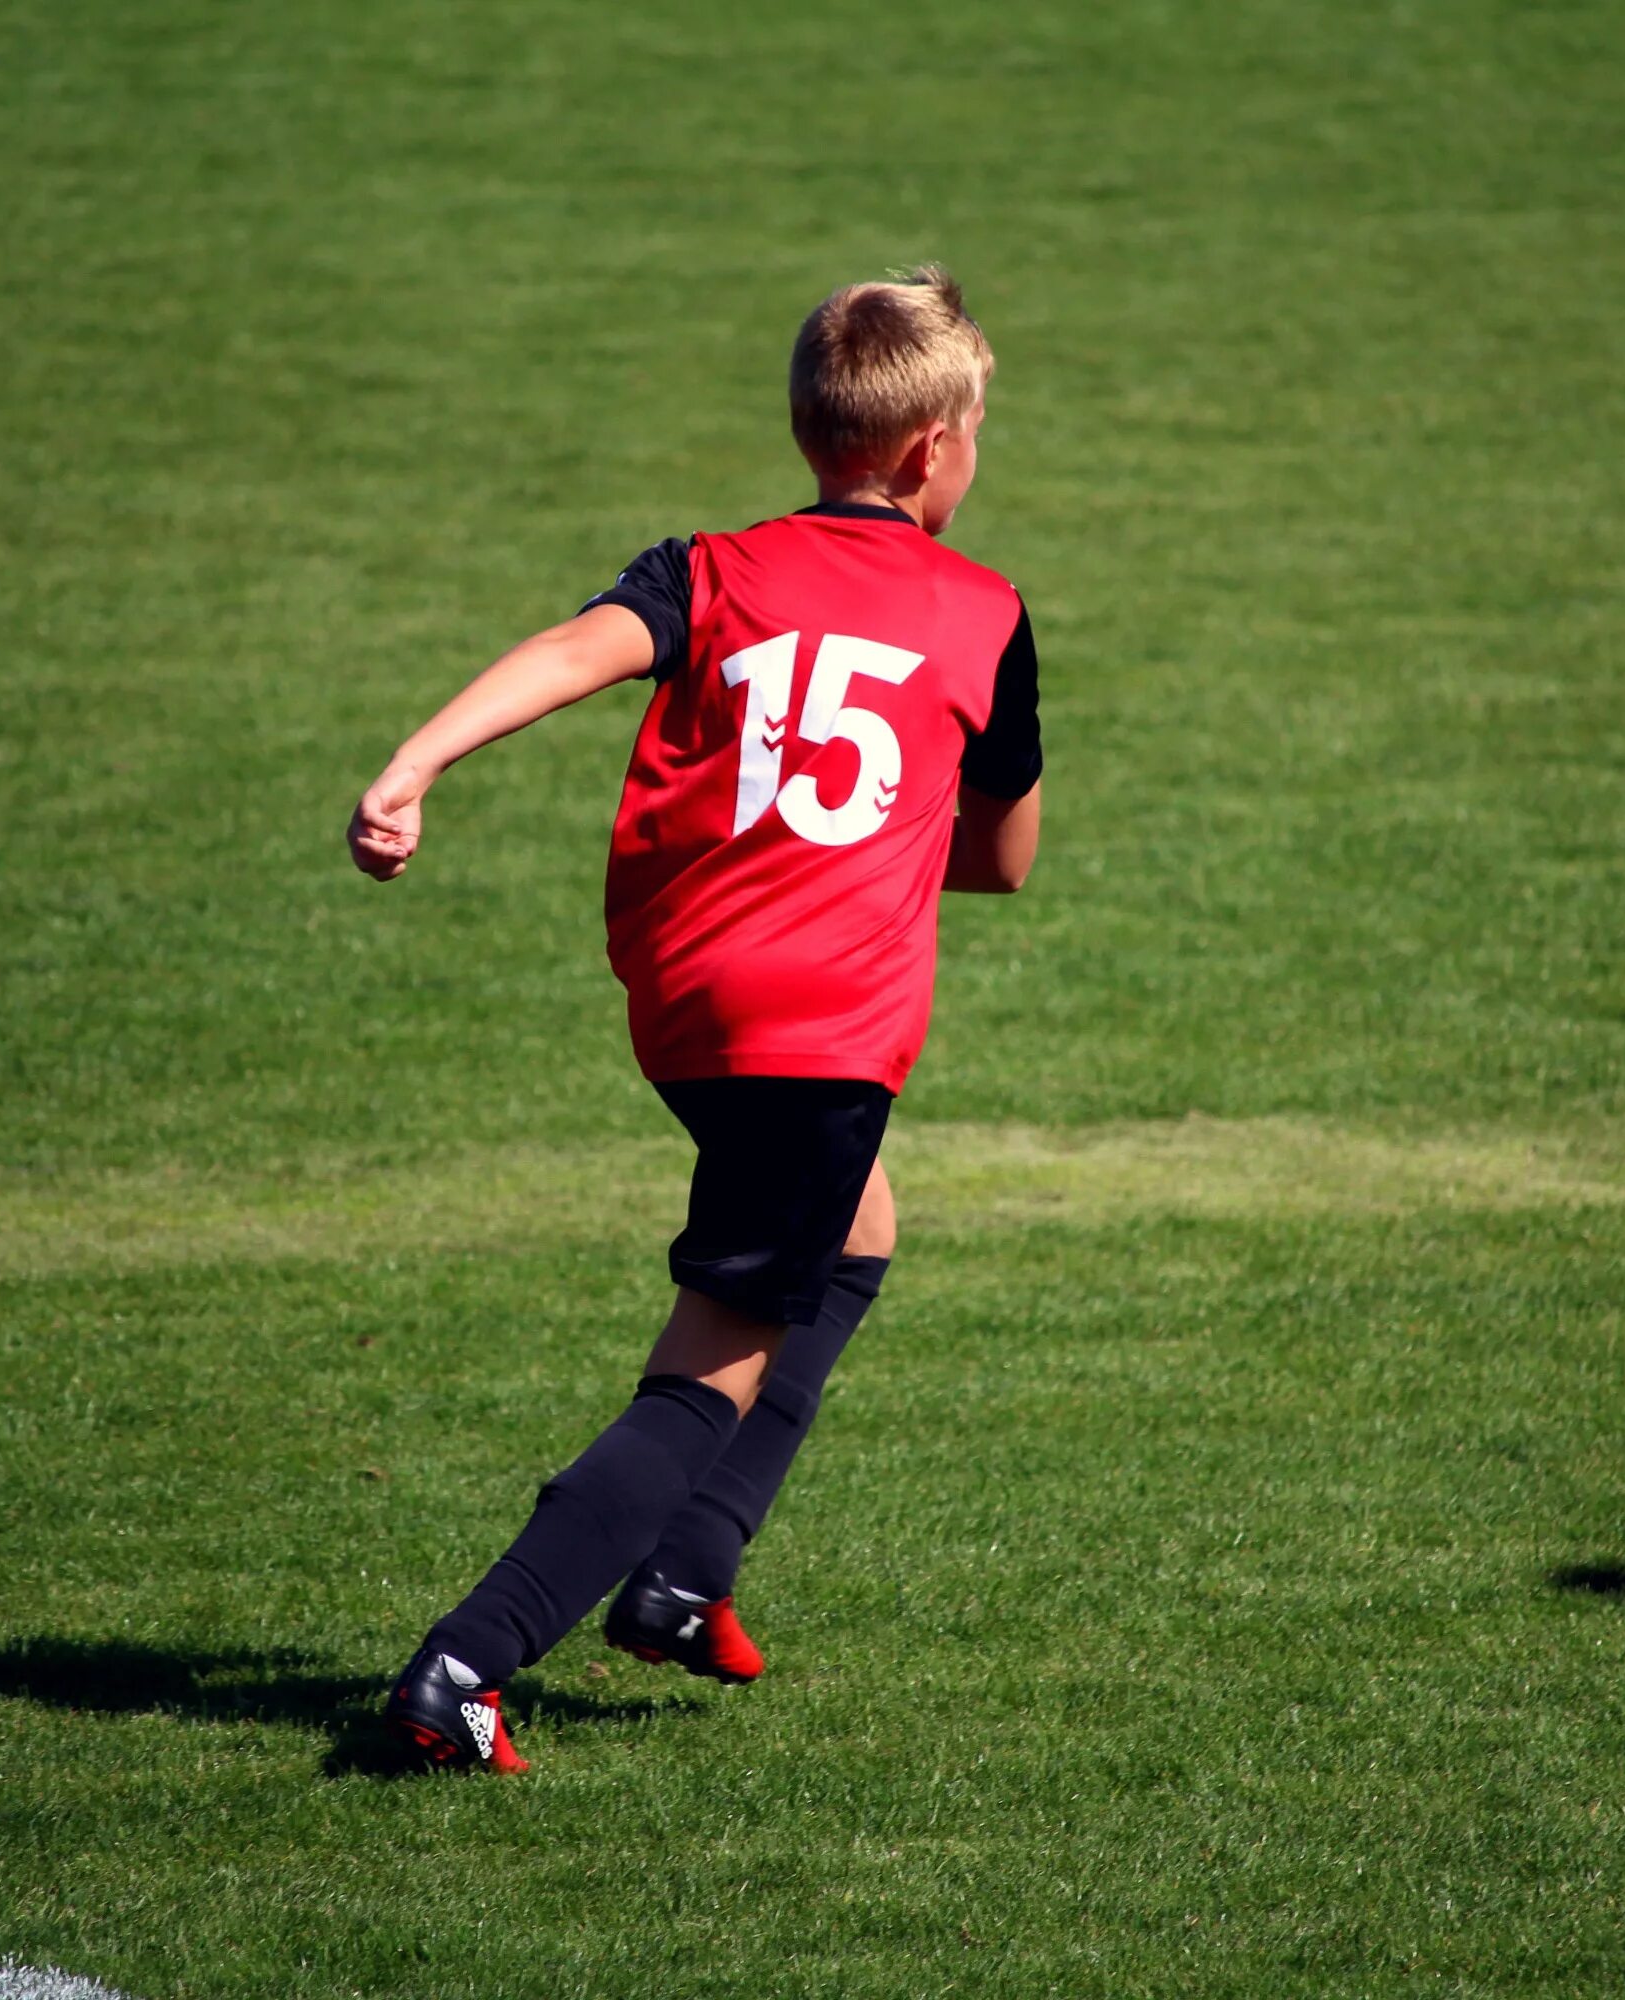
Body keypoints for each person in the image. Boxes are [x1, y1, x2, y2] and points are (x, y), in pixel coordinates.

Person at [346, 266, 1044, 1772]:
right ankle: (464, 1665)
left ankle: (684, 1573)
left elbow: (570, 651)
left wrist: (417, 762)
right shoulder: (984, 613)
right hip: (820, 1030)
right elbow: (1000, 859)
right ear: (933, 450)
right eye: (979, 421)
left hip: (687, 997)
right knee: (706, 1367)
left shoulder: (712, 566)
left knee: (854, 1236)